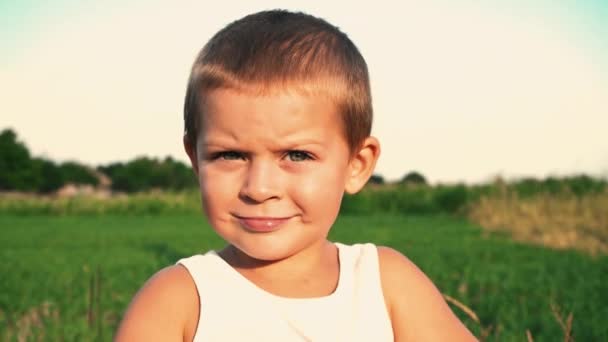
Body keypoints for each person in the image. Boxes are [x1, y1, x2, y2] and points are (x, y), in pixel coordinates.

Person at [115, 9, 477, 341]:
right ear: (195, 160)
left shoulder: (385, 285)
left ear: (357, 164)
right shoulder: (178, 302)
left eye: (296, 155)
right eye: (230, 155)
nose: (259, 188)